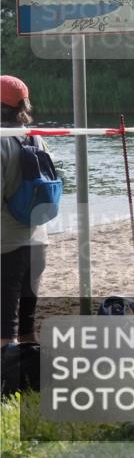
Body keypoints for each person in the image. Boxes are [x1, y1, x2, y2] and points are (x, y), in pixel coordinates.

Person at [1, 76, 49, 346]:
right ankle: (32, 377)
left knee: (5, 326)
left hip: (6, 245)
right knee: (27, 325)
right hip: (38, 239)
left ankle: (8, 383)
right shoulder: (36, 137)